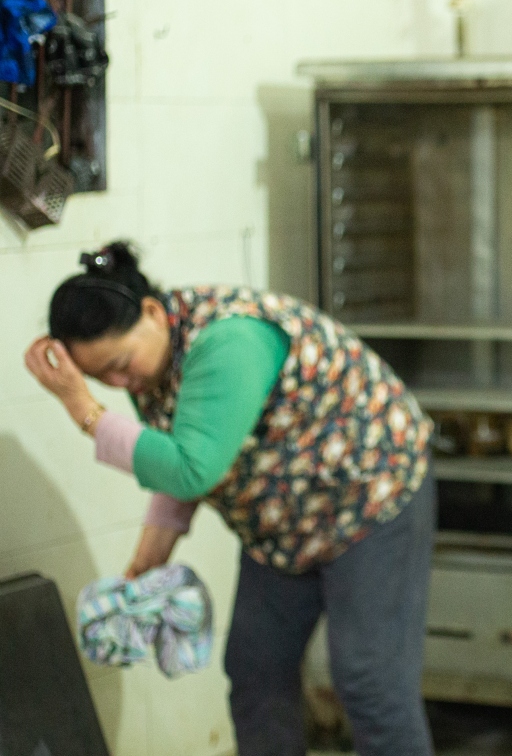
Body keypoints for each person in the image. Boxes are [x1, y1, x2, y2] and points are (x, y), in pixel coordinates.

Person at [23, 242, 436, 756]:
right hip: (282, 524)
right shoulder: (152, 359)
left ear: (153, 312)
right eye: (101, 378)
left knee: (370, 682)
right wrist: (147, 562)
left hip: (369, 498)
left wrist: (82, 407)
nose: (117, 383)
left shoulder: (228, 340)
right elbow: (177, 454)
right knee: (255, 668)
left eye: (120, 366)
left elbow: (192, 469)